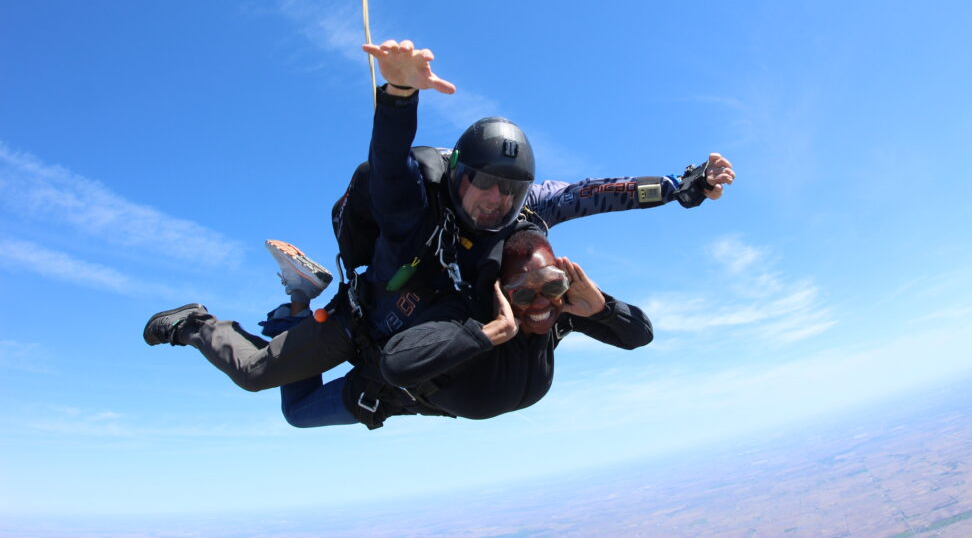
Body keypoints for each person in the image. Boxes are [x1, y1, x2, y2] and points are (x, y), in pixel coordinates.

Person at [143, 40, 734, 409]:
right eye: (484, 185)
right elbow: (388, 168)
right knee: (254, 374)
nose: (495, 202)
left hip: (429, 336)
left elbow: (600, 194)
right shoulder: (418, 211)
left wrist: (684, 188)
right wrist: (399, 95)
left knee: (301, 404)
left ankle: (299, 298)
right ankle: (197, 324)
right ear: (457, 174)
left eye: (511, 191)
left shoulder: (526, 213)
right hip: (368, 318)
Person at [266, 229, 651, 427]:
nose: (538, 302)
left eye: (552, 284)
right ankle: (299, 299)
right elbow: (397, 365)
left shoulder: (562, 308)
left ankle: (299, 312)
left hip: (420, 396)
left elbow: (640, 336)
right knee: (297, 413)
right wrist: (489, 332)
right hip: (381, 388)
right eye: (520, 291)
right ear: (499, 289)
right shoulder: (474, 316)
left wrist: (601, 308)